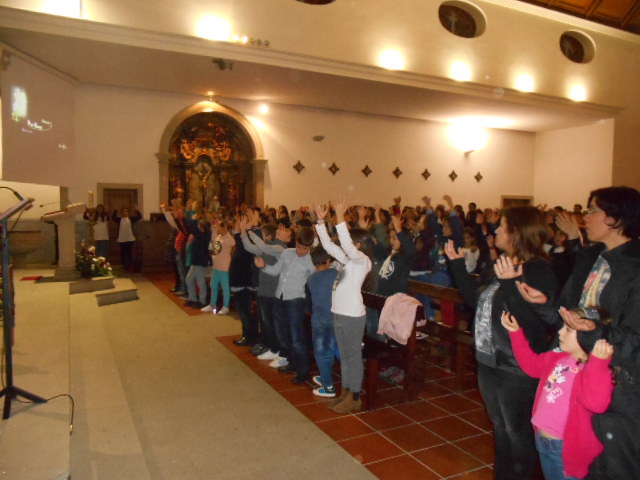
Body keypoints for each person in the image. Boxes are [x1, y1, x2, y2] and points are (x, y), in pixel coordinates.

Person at [516, 186, 640, 479]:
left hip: (617, 392)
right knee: (566, 460)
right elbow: (572, 315)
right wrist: (546, 305)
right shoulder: (594, 258)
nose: (585, 217)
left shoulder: (634, 267)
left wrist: (592, 333)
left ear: (614, 218)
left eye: (593, 210)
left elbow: (634, 341)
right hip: (573, 377)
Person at [445, 205, 559, 480]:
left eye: (503, 226)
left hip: (516, 367)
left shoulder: (538, 270)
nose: (496, 230)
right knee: (500, 428)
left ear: (517, 232)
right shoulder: (503, 265)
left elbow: (535, 322)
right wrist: (457, 265)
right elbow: (476, 302)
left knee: (518, 432)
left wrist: (510, 284)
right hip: (490, 361)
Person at [501, 310, 614, 480]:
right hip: (543, 440)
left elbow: (595, 404)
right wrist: (516, 333)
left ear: (588, 336)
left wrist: (598, 363)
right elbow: (531, 365)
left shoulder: (595, 370)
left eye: (568, 329)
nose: (560, 332)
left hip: (565, 450)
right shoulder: (558, 357)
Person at [315, 198, 372, 413]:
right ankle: (345, 393)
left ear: (358, 246)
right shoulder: (348, 262)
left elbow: (345, 245)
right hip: (339, 313)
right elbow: (328, 246)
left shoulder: (362, 261)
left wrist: (340, 217)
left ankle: (355, 397)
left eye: (349, 242)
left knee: (352, 357)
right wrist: (321, 223)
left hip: (352, 316)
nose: (344, 244)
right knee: (345, 358)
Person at [256, 226, 316, 384]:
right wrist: (263, 266)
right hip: (279, 297)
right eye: (299, 246)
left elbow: (313, 284)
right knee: (281, 334)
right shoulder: (286, 253)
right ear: (295, 242)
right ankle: (292, 360)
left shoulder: (311, 262)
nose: (301, 251)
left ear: (310, 246)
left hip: (295, 300)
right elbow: (275, 271)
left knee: (296, 337)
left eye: (305, 248)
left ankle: (303, 370)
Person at [306, 246, 339, 398]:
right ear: (328, 260)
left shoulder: (311, 278)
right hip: (335, 317)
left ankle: (328, 386)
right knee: (330, 350)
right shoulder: (335, 274)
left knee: (321, 352)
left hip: (319, 319)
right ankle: (326, 377)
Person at [201, 219, 235, 315]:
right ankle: (212, 304)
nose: (217, 228)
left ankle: (226, 307)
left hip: (224, 267)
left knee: (225, 287)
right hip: (216, 266)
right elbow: (214, 249)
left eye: (219, 227)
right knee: (213, 286)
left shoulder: (228, 238)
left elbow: (233, 243)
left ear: (224, 228)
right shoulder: (218, 237)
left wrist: (226, 232)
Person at [112, 205, 142, 271]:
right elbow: (113, 218)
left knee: (129, 253)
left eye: (126, 211)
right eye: (123, 211)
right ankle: (123, 266)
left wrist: (137, 210)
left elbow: (139, 217)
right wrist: (115, 210)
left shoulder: (131, 219)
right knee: (122, 253)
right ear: (121, 213)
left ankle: (129, 266)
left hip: (130, 239)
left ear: (128, 212)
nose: (124, 213)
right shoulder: (119, 219)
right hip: (121, 239)